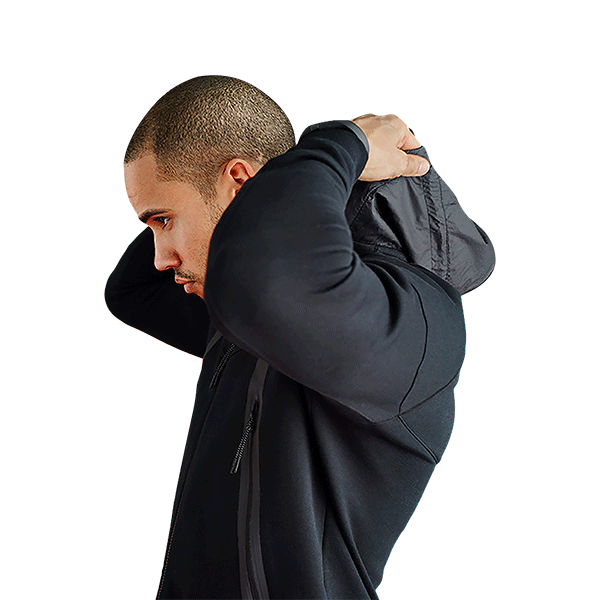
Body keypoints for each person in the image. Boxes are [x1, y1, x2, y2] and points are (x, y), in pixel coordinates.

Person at [104, 75, 495, 600]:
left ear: (240, 180)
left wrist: (339, 146)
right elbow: (130, 292)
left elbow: (274, 277)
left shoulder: (410, 318)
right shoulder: (246, 302)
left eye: (164, 220)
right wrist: (267, 186)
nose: (160, 257)